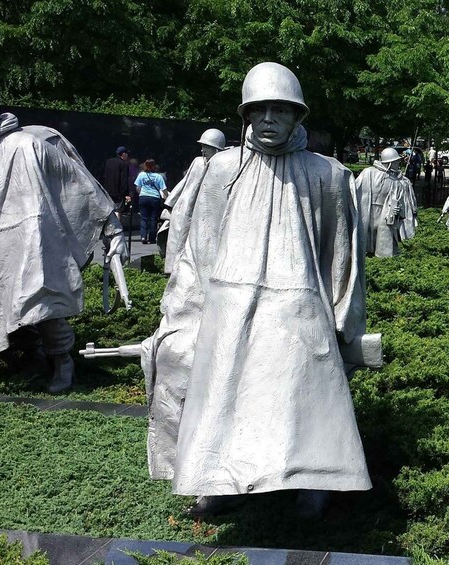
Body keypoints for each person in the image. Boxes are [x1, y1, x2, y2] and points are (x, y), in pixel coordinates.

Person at [149, 62, 372, 516]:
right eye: (259, 110)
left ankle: (313, 475)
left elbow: (342, 254)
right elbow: (200, 247)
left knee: (301, 393)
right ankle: (215, 478)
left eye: (280, 110)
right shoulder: (222, 169)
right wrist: (185, 311)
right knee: (224, 391)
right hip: (230, 304)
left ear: (297, 116)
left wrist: (342, 317)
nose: (268, 119)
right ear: (246, 116)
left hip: (299, 303)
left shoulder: (328, 174)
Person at [0, 83, 125, 392]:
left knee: (38, 302)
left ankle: (63, 362)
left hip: (30, 239)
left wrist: (111, 225)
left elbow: (75, 179)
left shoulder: (25, 145)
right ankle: (32, 358)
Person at [161, 128, 227, 273]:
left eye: (206, 147)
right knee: (181, 240)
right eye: (202, 146)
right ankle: (177, 270)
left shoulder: (223, 166)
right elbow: (185, 183)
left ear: (216, 149)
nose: (203, 150)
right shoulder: (198, 163)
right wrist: (170, 204)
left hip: (209, 214)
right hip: (187, 210)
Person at [357, 147, 416, 257]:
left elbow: (399, 199)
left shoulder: (397, 179)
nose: (398, 163)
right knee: (368, 236)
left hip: (386, 212)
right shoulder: (369, 173)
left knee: (383, 239)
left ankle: (382, 258)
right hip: (370, 209)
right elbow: (357, 191)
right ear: (389, 163)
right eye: (396, 161)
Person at [134, 159, 166, 244]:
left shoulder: (141, 175)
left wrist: (141, 194)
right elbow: (164, 189)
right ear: (154, 166)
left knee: (144, 218)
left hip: (143, 197)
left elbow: (137, 187)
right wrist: (166, 197)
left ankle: (143, 237)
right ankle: (152, 238)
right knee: (153, 218)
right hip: (154, 198)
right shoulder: (158, 176)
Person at [102, 146, 131, 214]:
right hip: (118, 193)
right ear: (123, 154)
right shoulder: (124, 164)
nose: (127, 155)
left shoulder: (108, 161)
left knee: (108, 211)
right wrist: (126, 194)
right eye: (127, 153)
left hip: (107, 190)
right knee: (117, 211)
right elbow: (124, 180)